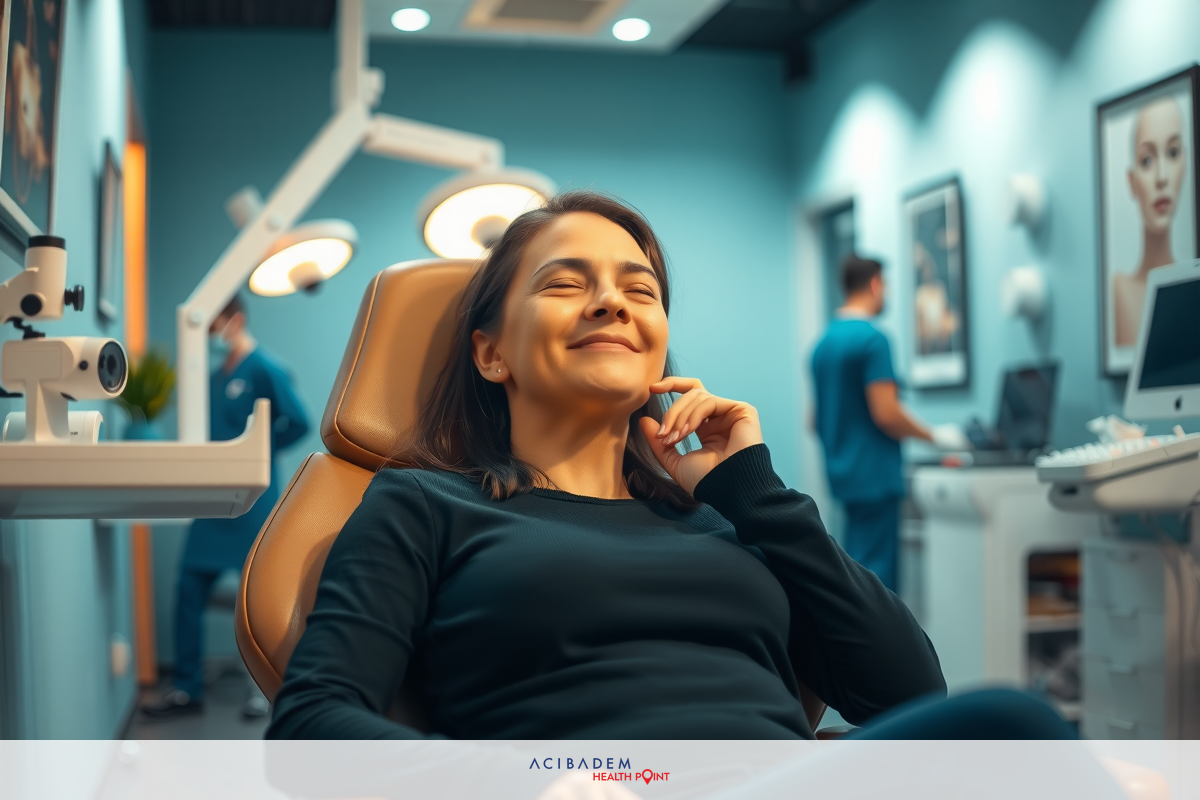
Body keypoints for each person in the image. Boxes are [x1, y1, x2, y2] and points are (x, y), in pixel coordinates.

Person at [268, 191, 1068, 741]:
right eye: (565, 283)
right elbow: (311, 725)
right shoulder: (424, 506)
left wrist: (755, 491)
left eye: (639, 289)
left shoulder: (727, 518)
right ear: (491, 352)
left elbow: (906, 695)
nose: (613, 302)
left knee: (1012, 728)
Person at [142, 294, 310, 720]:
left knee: (255, 598)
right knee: (188, 589)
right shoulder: (216, 377)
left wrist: (259, 453)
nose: (213, 336)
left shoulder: (265, 368)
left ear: (234, 320)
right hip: (213, 500)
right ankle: (186, 687)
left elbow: (301, 421)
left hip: (252, 503)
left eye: (215, 327)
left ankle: (263, 691)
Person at [811, 255, 965, 592]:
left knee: (855, 571)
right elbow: (886, 413)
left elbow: (813, 419)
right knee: (878, 586)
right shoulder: (873, 340)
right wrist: (936, 436)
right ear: (875, 284)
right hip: (876, 477)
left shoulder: (823, 345)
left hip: (844, 478)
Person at [1113, 95, 1188, 347]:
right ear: (1131, 181)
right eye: (1147, 160)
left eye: (1173, 153)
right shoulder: (1119, 290)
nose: (1162, 177)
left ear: (1186, 164)